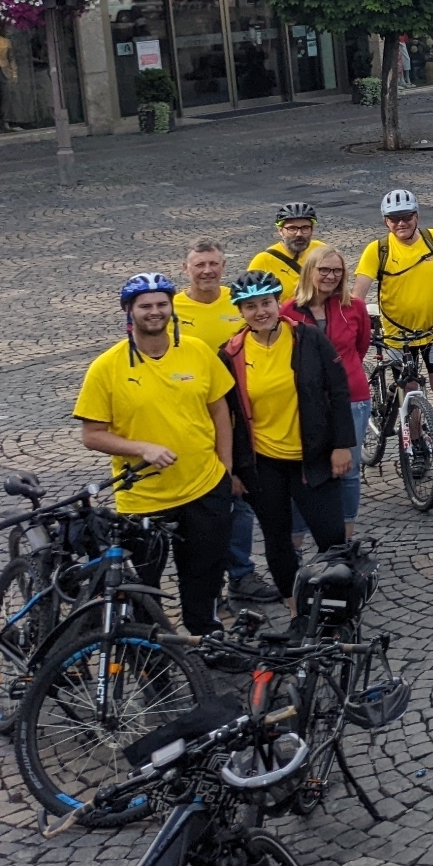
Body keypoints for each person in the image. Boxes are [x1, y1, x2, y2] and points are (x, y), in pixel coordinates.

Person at [74, 273, 237, 636]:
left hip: (204, 486)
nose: (155, 311)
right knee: (143, 587)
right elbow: (92, 435)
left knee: (205, 574)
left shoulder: (196, 350)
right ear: (129, 312)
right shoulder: (106, 367)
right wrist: (141, 448)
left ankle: (205, 636)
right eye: (145, 306)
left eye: (162, 304)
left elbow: (219, 409)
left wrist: (225, 466)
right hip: (144, 499)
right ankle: (153, 655)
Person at [220, 270, 353, 606]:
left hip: (313, 456)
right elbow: (227, 417)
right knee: (277, 540)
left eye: (266, 302)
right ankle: (295, 607)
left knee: (331, 536)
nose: (260, 311)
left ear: (279, 303)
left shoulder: (308, 338)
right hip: (263, 463)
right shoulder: (231, 353)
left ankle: (337, 606)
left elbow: (338, 390)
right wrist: (232, 470)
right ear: (240, 312)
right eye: (250, 306)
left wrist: (341, 445)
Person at [170, 239, 270, 602]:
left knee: (238, 496)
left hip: (238, 417)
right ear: (186, 269)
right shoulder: (171, 309)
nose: (207, 271)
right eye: (199, 265)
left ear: (224, 266)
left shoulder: (238, 301)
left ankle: (241, 575)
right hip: (190, 420)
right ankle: (201, 578)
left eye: (213, 263)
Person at [349, 189, 433, 478]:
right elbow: (358, 292)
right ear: (385, 222)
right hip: (397, 336)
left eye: (405, 217)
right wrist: (353, 324)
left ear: (416, 216)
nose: (400, 224)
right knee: (410, 393)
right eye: (393, 219)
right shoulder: (378, 250)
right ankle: (416, 449)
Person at [283, 242, 373, 536]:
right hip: (305, 402)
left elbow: (360, 348)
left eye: (337, 271)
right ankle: (298, 534)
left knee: (348, 470)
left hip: (352, 398)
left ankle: (346, 534)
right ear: (310, 271)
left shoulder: (355, 307)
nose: (331, 276)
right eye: (324, 269)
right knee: (304, 469)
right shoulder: (288, 310)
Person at [250, 202, 318, 281]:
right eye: (292, 228)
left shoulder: (320, 249)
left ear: (312, 229)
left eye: (305, 228)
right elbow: (245, 290)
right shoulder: (264, 260)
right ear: (280, 231)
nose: (299, 234)